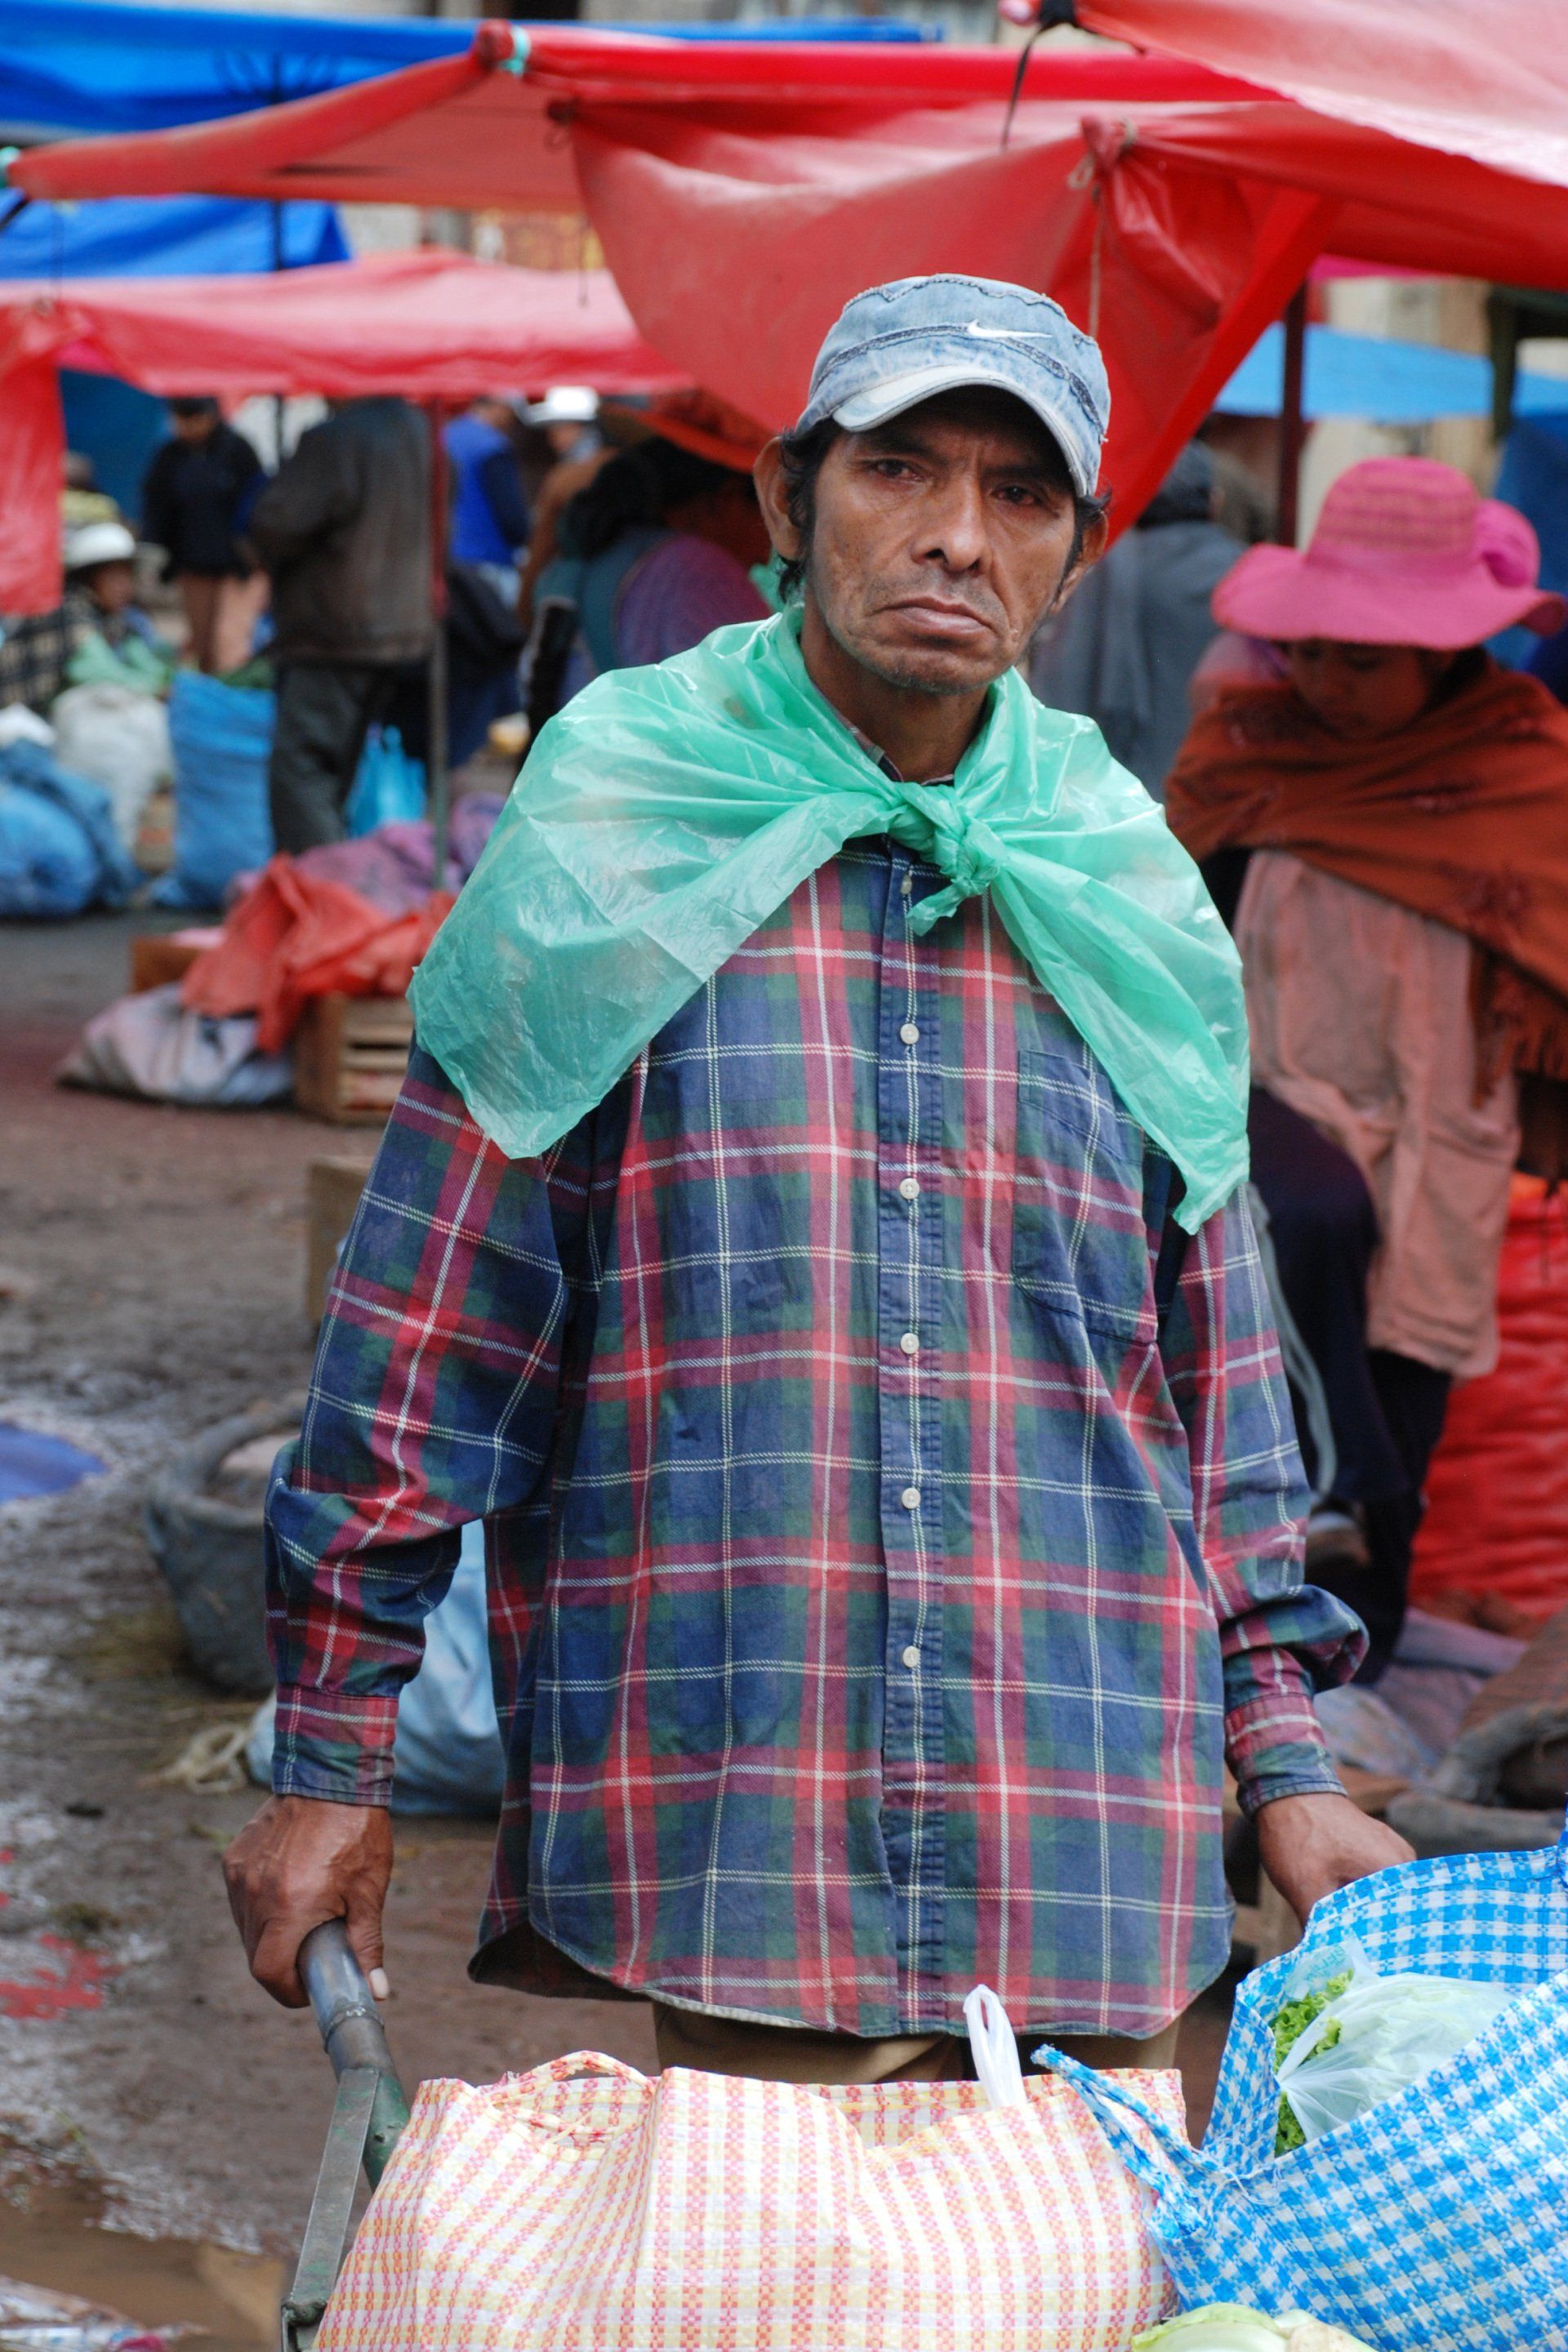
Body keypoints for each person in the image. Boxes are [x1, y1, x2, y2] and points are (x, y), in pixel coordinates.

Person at [225, 274, 1405, 2084]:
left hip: (1096, 1805)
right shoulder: (620, 834)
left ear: (1075, 555)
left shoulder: (1115, 876)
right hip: (747, 1820)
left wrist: (1288, 1763)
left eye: (1020, 496)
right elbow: (426, 1336)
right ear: (788, 503)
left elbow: (1220, 1397)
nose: (954, 536)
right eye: (900, 469)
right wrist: (331, 1756)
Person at [1166, 456, 1568, 1676]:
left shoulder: (1528, 769)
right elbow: (1170, 927)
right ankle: (1257, 1638)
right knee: (1308, 1250)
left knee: (1403, 1387)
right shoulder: (1247, 744)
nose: (1330, 683)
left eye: (1365, 657)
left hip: (1446, 1135)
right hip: (1265, 1098)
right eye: (1317, 652)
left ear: (1442, 653)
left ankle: (1362, 1659)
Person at [248, 397, 432, 854]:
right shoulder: (424, 433)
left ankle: (323, 892)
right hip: (398, 628)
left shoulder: (337, 440)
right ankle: (332, 883)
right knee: (333, 764)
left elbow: (277, 522)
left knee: (303, 769)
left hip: (337, 630)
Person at [526, 405, 771, 726]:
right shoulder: (697, 569)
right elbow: (758, 709)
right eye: (768, 509)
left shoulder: (575, 563)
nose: (772, 539)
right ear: (723, 500)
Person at [1027, 441, 1242, 798]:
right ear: (1214, 501)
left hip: (1111, 788)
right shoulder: (1243, 574)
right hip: (1214, 793)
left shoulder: (1098, 568)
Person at [140, 398, 268, 675]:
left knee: (229, 642)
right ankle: (211, 699)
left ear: (209, 417)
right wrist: (159, 555)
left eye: (191, 419)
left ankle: (229, 697)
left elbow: (257, 501)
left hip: (239, 565)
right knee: (202, 643)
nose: (184, 427)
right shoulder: (170, 456)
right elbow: (158, 508)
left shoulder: (237, 451)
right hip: (193, 562)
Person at [0, 520, 170, 713]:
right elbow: (97, 673)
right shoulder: (68, 613)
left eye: (128, 576)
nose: (124, 587)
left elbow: (148, 663)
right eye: (114, 577)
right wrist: (153, 689)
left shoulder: (119, 620)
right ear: (88, 578)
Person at [443, 398, 531, 606]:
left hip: (447, 559)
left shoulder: (444, 435)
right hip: (488, 562)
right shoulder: (492, 446)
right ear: (500, 407)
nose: (511, 422)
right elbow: (512, 518)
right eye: (511, 414)